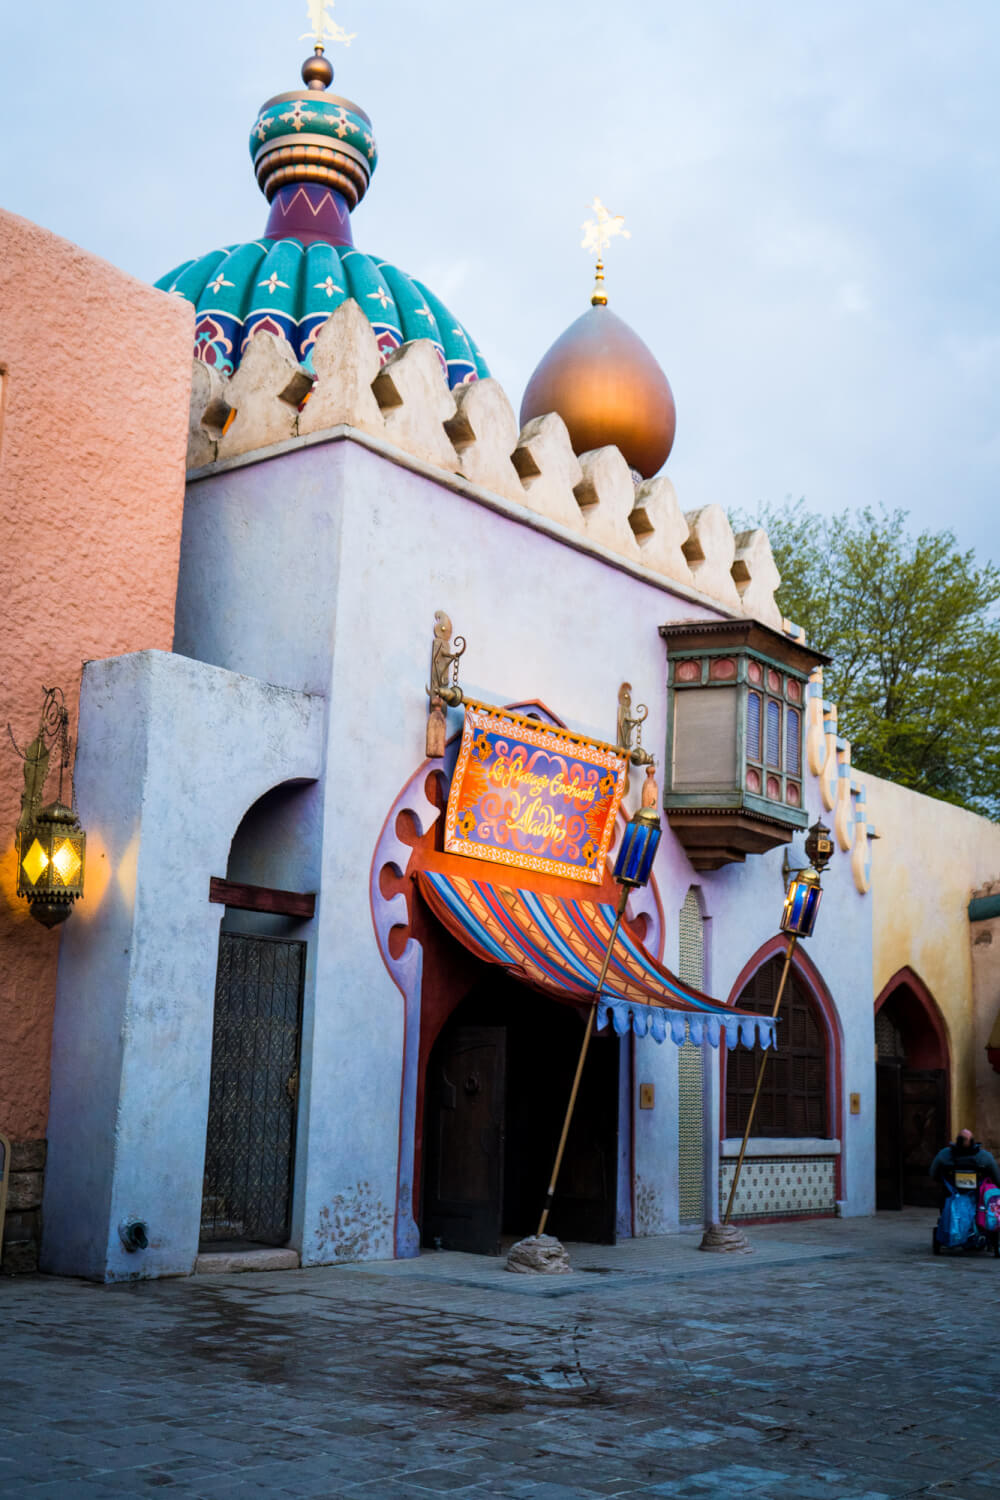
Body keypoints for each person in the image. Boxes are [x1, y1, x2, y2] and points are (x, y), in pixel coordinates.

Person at [929, 1128, 1000, 1190]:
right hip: (978, 1198)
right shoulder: (985, 1157)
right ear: (973, 1141)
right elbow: (997, 1179)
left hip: (951, 1195)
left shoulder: (944, 1154)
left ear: (957, 1140)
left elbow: (933, 1174)